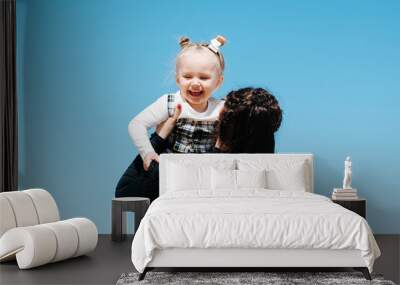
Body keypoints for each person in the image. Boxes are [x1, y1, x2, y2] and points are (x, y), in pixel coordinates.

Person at [115, 87, 282, 200]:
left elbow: (127, 192)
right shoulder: (268, 172)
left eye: (222, 115)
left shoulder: (213, 170)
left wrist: (160, 136)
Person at [129, 35, 227, 171]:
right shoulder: (171, 103)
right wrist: (148, 153)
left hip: (204, 175)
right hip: (171, 174)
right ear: (177, 79)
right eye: (187, 76)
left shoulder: (221, 109)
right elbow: (137, 124)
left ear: (218, 82)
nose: (195, 83)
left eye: (204, 77)